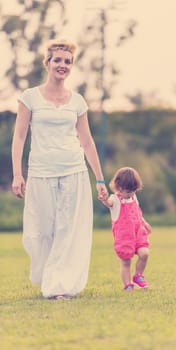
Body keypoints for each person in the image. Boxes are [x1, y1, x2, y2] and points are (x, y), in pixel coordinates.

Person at [11, 39, 108, 300]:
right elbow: (19, 137)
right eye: (58, 60)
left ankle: (58, 286)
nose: (62, 65)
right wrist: (18, 174)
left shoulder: (77, 102)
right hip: (41, 172)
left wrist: (100, 179)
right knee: (43, 230)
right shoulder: (30, 97)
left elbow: (87, 141)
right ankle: (50, 276)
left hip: (73, 170)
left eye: (67, 61)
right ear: (48, 63)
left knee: (68, 229)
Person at [101, 167, 151, 291]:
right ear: (119, 187)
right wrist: (104, 199)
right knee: (126, 261)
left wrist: (144, 222)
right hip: (124, 236)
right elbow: (109, 203)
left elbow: (137, 212)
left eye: (133, 191)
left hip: (138, 232)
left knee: (144, 253)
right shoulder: (115, 199)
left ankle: (138, 275)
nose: (131, 194)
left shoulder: (134, 197)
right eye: (128, 191)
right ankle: (127, 285)